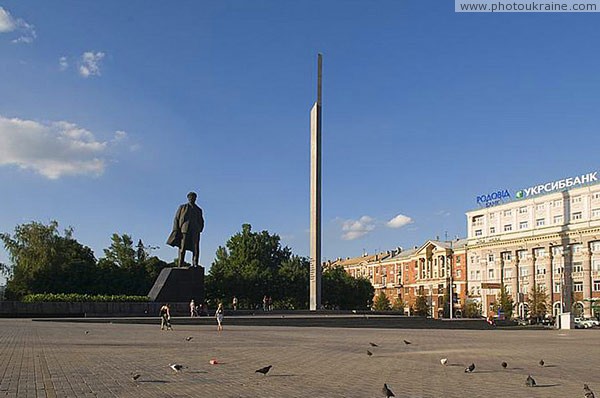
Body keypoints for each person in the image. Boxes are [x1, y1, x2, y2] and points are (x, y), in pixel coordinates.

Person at [166, 192, 204, 267]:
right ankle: (180, 264)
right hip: (184, 230)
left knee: (196, 248)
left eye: (193, 197)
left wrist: (199, 228)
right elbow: (176, 218)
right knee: (182, 248)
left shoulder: (198, 210)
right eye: (190, 197)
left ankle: (195, 263)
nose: (192, 198)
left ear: (195, 198)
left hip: (195, 231)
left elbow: (201, 220)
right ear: (188, 198)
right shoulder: (183, 207)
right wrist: (176, 229)